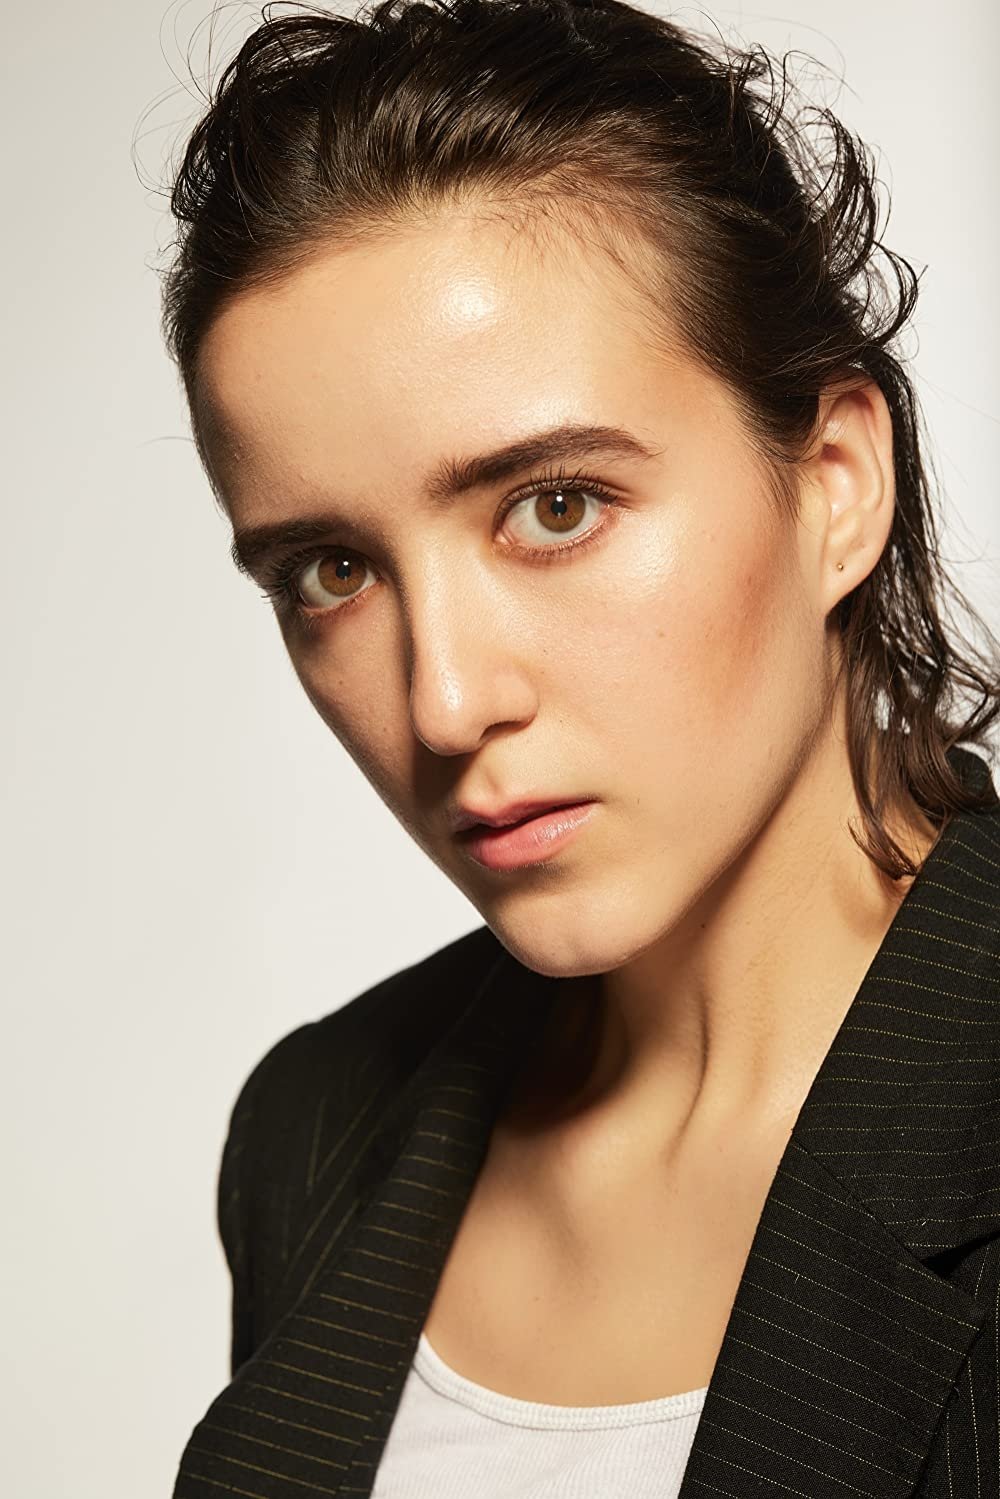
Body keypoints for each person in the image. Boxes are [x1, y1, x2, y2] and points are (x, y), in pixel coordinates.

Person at [159, 1, 1000, 1494]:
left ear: (835, 485)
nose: (443, 703)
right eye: (331, 572)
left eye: (554, 508)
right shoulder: (316, 1134)